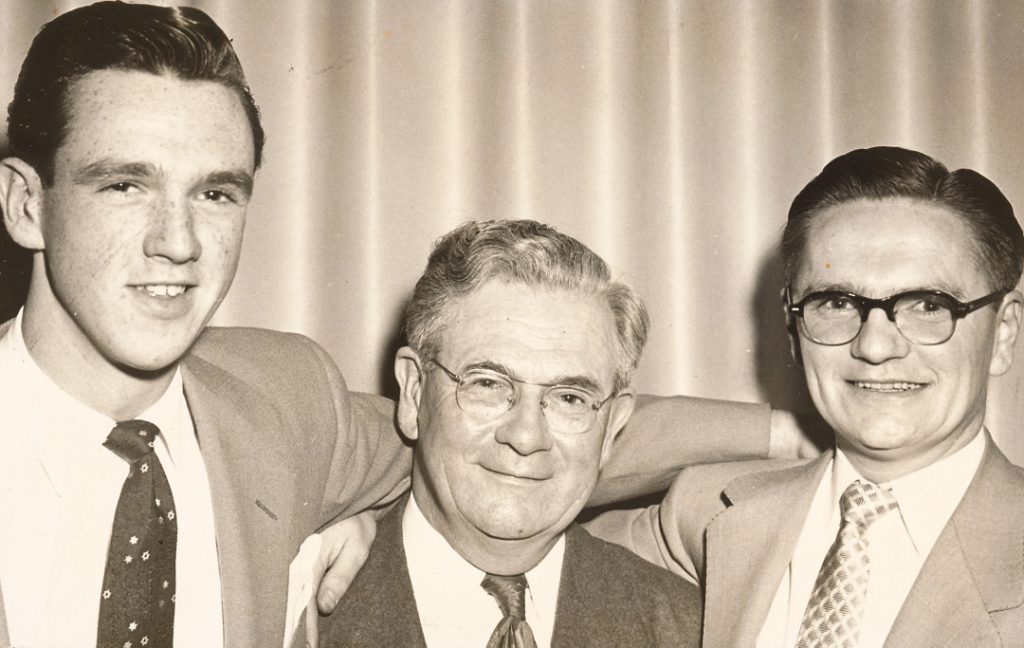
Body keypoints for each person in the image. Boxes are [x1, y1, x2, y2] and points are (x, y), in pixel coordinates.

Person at [0, 3, 800, 646]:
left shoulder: (282, 402)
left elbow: (510, 444)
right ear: (26, 203)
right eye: (124, 187)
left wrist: (807, 435)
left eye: (216, 193)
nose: (176, 242)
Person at [586, 146, 1024, 647]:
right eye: (835, 302)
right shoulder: (706, 514)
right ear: (793, 329)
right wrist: (782, 433)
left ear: (1004, 332)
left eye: (929, 305)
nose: (875, 346)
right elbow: (535, 474)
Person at [321, 220, 701, 647]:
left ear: (612, 426)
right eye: (488, 383)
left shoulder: (686, 628)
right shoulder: (294, 606)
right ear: (414, 393)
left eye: (570, 398)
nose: (525, 436)